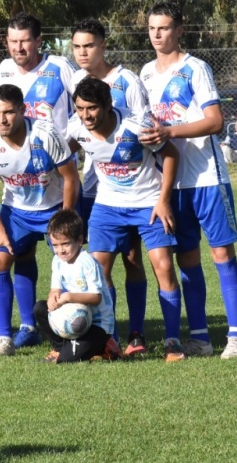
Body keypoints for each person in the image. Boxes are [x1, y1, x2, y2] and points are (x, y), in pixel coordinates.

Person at [140, 2, 237, 360]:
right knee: (186, 259)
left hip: (206, 178)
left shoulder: (195, 69)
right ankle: (200, 338)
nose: (157, 34)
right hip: (171, 184)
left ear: (180, 30)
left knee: (221, 253)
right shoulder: (145, 75)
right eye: (152, 28)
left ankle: (236, 338)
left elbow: (216, 121)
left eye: (165, 28)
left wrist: (170, 130)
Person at [65, 77, 186, 362]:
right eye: (80, 108)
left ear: (108, 105)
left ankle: (172, 341)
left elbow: (171, 155)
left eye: (92, 108)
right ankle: (110, 340)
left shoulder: (135, 126)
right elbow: (64, 152)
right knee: (97, 273)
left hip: (148, 204)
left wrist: (163, 200)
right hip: (108, 207)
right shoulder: (76, 129)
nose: (86, 115)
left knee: (164, 267)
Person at [0, 84, 80, 357]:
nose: (1, 120)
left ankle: (73, 332)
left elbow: (70, 177)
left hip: (53, 209)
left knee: (68, 265)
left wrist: (65, 221)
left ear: (22, 110)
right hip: (15, 210)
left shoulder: (45, 134)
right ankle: (7, 338)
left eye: (8, 112)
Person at [68, 18, 151, 352]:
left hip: (133, 188)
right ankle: (106, 334)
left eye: (89, 45)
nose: (82, 52)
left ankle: (136, 333)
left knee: (132, 257)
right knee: (97, 265)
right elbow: (74, 134)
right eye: (76, 46)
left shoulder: (126, 80)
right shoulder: (75, 79)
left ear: (103, 45)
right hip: (95, 187)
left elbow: (143, 133)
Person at [34, 209, 122, 364]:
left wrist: (68, 297)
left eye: (65, 244)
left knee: (67, 360)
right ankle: (59, 348)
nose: (60, 250)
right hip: (74, 316)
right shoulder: (57, 261)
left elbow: (96, 297)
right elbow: (55, 289)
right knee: (39, 308)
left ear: (79, 240)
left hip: (97, 324)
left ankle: (106, 346)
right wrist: (52, 297)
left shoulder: (87, 262)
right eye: (55, 245)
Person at [0, 12, 76, 134]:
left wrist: (68, 149)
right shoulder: (3, 69)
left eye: (24, 41)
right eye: (13, 41)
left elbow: (88, 108)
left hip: (59, 152)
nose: (18, 48)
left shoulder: (60, 67)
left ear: (38, 41)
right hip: (20, 152)